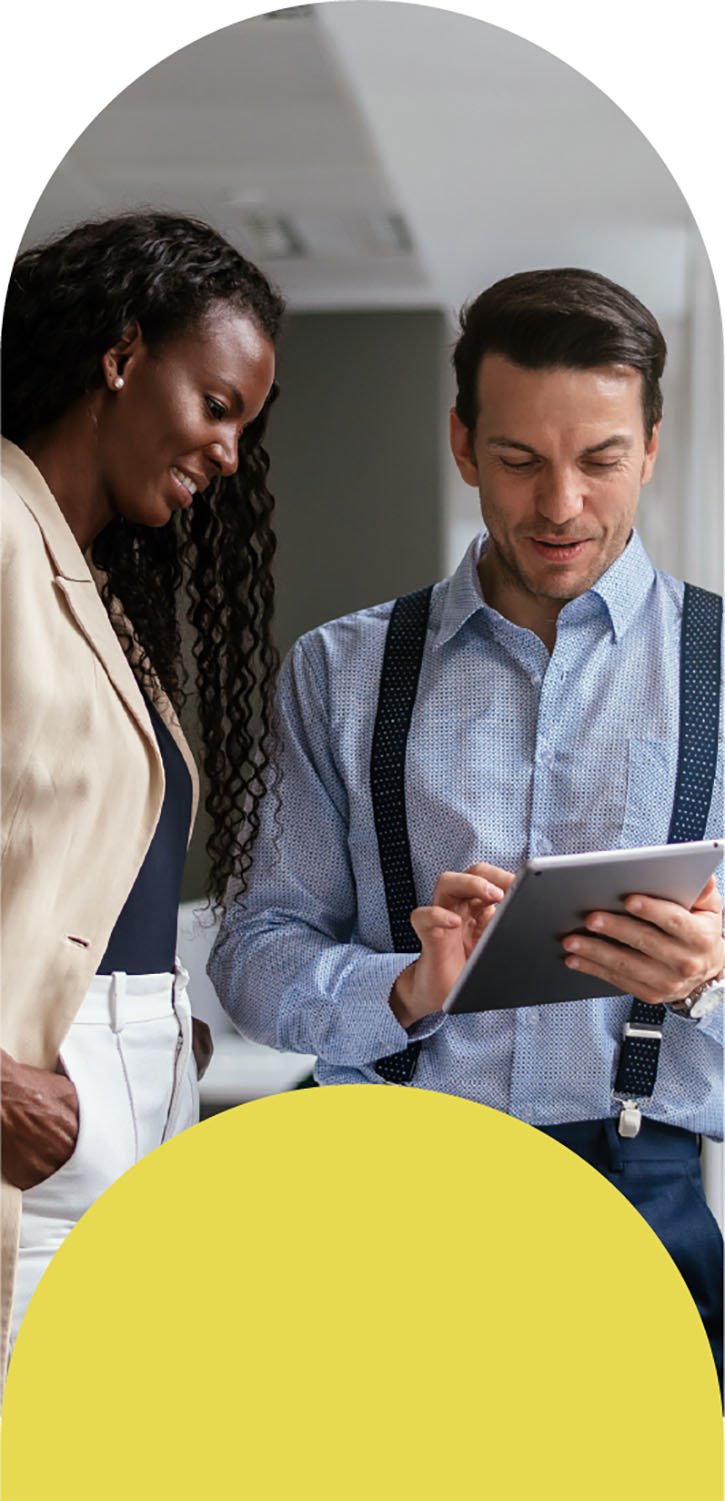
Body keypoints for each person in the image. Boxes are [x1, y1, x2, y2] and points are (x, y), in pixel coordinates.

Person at [209, 267, 724, 1389]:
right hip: (396, 1196)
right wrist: (403, 991)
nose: (558, 508)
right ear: (458, 442)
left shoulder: (720, 668)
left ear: (649, 445)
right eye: (517, 461)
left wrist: (701, 987)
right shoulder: (339, 672)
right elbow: (254, 955)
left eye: (596, 460)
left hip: (641, 1197)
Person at [0, 210, 283, 1378]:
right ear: (120, 359)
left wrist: (157, 1031)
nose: (227, 454)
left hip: (145, 1109)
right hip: (35, 1132)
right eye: (215, 407)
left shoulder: (96, 582)